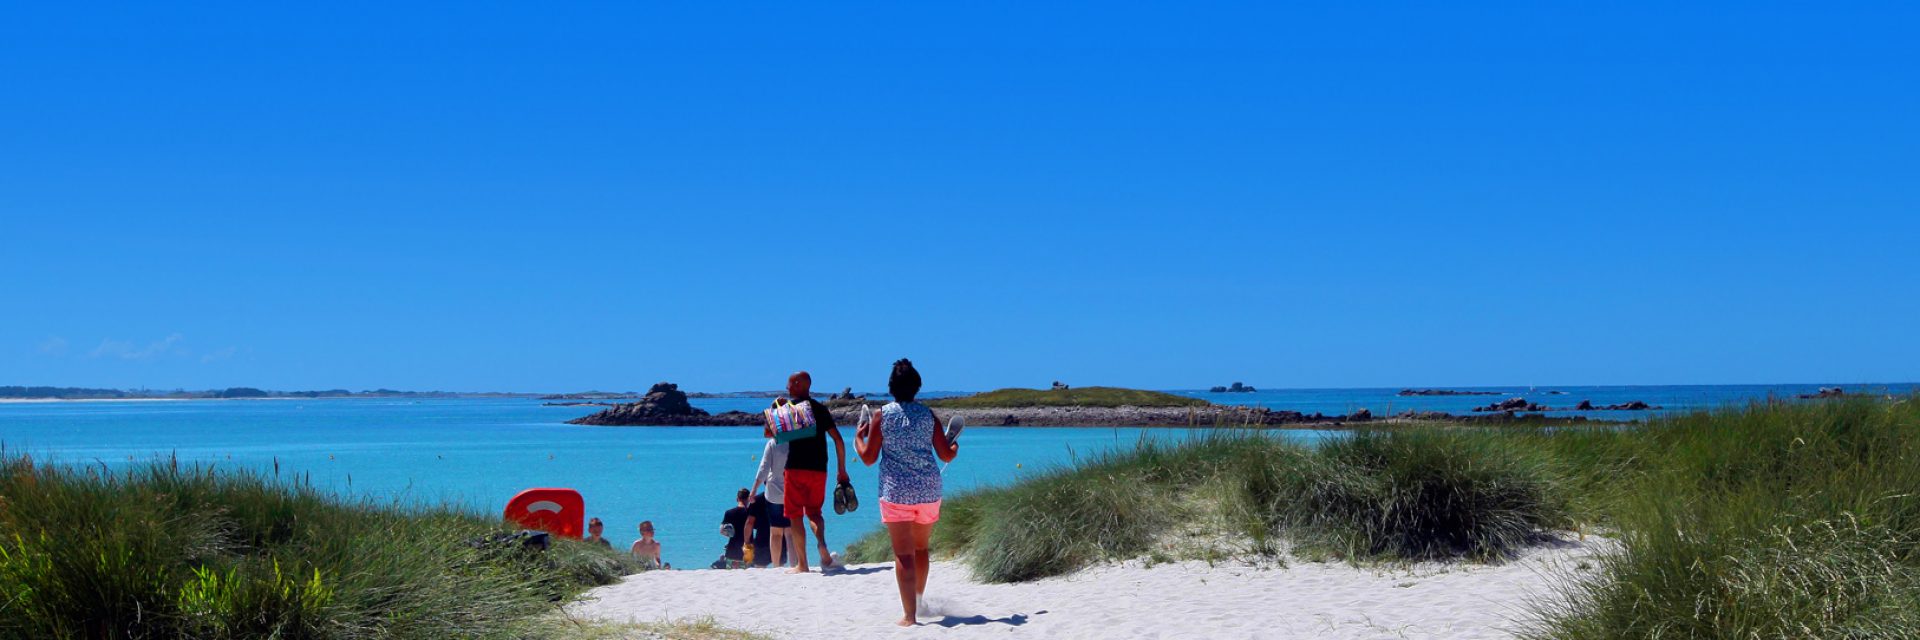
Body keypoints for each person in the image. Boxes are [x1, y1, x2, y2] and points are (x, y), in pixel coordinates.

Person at [856, 358, 958, 627]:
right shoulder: (928, 415)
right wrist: (954, 449)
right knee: (921, 548)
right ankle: (919, 600)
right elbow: (945, 453)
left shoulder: (883, 415)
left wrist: (858, 438)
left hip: (896, 492)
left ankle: (910, 615)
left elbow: (868, 458)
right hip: (928, 489)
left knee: (904, 555)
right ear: (917, 387)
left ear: (891, 387)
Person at [778, 371, 849, 573]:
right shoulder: (819, 409)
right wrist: (841, 470)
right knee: (814, 513)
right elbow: (838, 439)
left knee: (795, 515)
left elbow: (770, 433)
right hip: (819, 470)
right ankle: (822, 544)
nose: (787, 387)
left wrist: (777, 408)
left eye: (789, 383)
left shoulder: (790, 409)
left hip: (795, 469)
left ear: (799, 384)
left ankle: (802, 564)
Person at [751, 430, 792, 567]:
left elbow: (764, 468)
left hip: (774, 492)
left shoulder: (773, 443)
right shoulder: (795, 442)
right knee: (790, 531)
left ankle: (776, 565)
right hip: (791, 491)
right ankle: (794, 563)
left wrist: (754, 490)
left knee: (775, 531)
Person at [713, 488, 751, 569]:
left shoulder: (729, 513)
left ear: (737, 499)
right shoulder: (751, 513)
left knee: (731, 575)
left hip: (732, 549)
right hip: (747, 549)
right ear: (748, 499)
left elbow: (722, 530)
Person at [745, 491, 781, 568]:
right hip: (780, 538)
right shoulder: (782, 497)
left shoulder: (757, 500)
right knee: (779, 567)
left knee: (760, 567)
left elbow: (750, 523)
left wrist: (747, 541)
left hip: (761, 538)